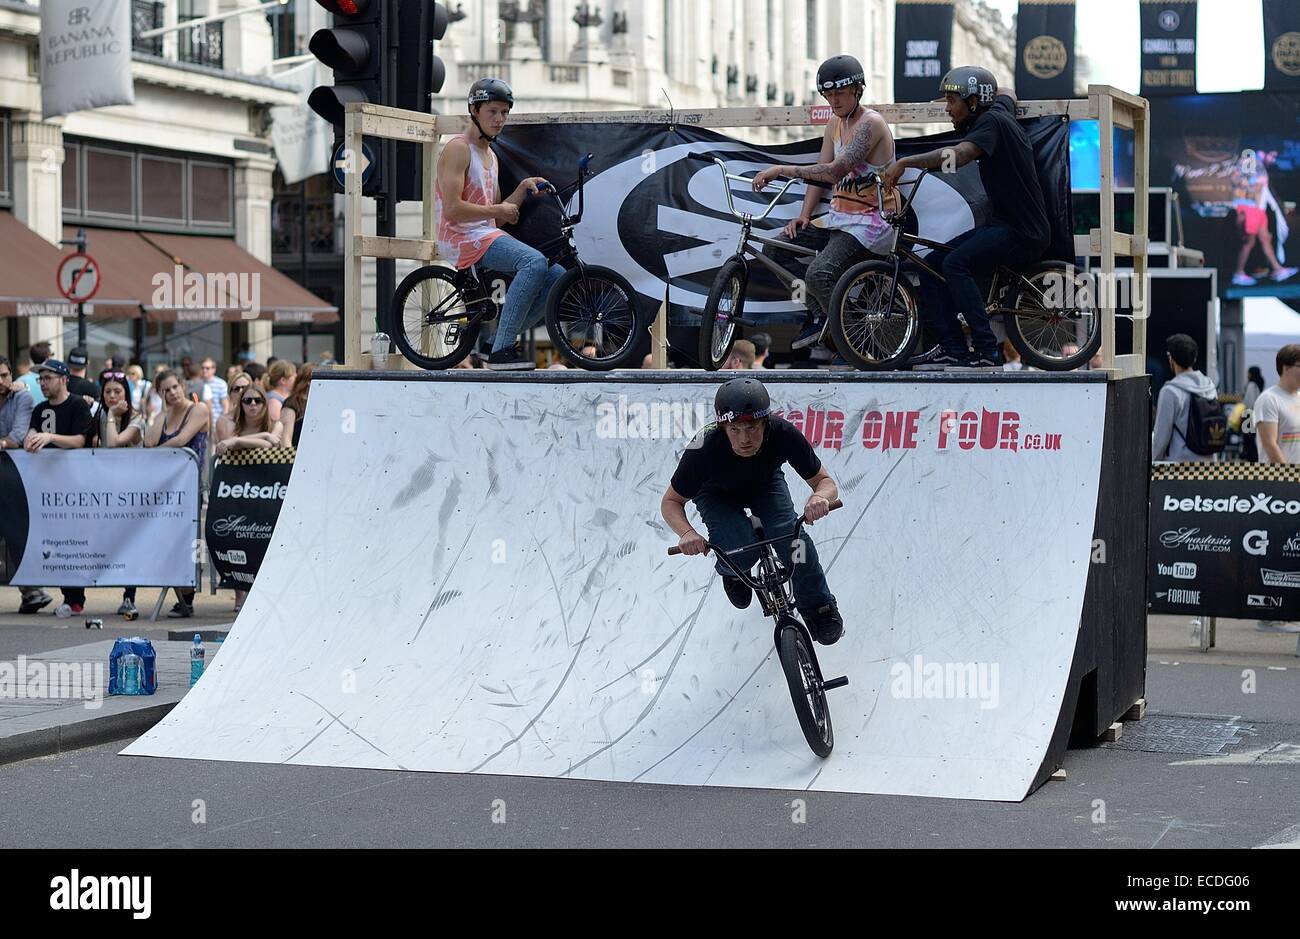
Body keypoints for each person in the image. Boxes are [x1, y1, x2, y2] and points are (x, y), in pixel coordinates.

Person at [881, 67, 1050, 369]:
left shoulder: (989, 123)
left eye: (951, 101)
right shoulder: (998, 111)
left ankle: (987, 350)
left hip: (1022, 231)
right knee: (931, 264)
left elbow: (959, 155)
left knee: (954, 264)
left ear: (972, 102)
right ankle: (953, 348)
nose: (947, 109)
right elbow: (1007, 92)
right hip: (1003, 224)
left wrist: (906, 162)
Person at [660, 377, 843, 644]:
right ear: (722, 426)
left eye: (753, 428)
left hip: (765, 485)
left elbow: (825, 482)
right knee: (739, 551)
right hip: (716, 493)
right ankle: (733, 571)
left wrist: (819, 498)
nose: (744, 438)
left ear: (766, 422)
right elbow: (671, 502)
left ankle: (819, 606)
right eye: (734, 429)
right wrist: (687, 533)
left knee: (796, 545)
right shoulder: (703, 445)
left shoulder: (783, 432)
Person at [755, 55, 897, 352]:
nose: (834, 100)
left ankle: (851, 337)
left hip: (871, 223)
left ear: (858, 90)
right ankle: (821, 317)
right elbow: (820, 175)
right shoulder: (834, 123)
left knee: (819, 273)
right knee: (773, 250)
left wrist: (781, 170)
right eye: (828, 95)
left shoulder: (870, 124)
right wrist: (804, 216)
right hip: (838, 218)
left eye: (840, 93)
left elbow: (835, 171)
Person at [437, 77, 565, 370]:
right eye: (492, 111)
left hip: (482, 233)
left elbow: (493, 213)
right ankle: (501, 350)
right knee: (532, 263)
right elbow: (453, 209)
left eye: (504, 112)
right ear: (474, 109)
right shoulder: (458, 148)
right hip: (458, 236)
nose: (499, 119)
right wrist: (498, 210)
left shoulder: (490, 155)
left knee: (556, 274)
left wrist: (521, 190)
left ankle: (495, 342)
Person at [24, 360, 93, 618]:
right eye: (40, 379)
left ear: (63, 379)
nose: (43, 383)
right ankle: (67, 595)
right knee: (55, 540)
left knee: (75, 540)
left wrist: (50, 437)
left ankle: (76, 597)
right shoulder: (40, 409)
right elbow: (31, 432)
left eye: (48, 378)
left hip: (75, 484)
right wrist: (31, 436)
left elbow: (80, 440)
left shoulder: (76, 404)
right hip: (46, 486)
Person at [146, 370, 210, 618]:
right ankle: (181, 597)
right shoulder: (164, 414)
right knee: (168, 540)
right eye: (166, 390)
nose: (172, 393)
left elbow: (183, 439)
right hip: (166, 488)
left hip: (191, 485)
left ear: (182, 385)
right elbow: (149, 441)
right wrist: (163, 411)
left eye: (174, 387)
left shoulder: (199, 409)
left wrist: (156, 455)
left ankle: (188, 595)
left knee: (189, 540)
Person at [92, 374, 147, 619]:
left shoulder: (136, 419)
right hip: (106, 487)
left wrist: (113, 415)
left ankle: (130, 596)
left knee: (130, 542)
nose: (112, 397)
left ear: (126, 394)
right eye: (107, 392)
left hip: (131, 488)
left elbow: (114, 442)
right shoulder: (100, 415)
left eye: (117, 392)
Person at [0, 356, 49, 614]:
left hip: (14, 474)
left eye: (5, 375)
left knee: (16, 532)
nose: (1, 382)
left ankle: (32, 591)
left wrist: (4, 443)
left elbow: (17, 436)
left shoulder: (23, 398)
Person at [1230, 151, 1297, 287]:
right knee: (1248, 242)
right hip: (1249, 209)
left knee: (1265, 239)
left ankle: (1277, 269)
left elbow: (1263, 190)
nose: (1274, 159)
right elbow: (1237, 182)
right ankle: (1238, 273)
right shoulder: (1247, 165)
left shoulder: (1260, 168)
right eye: (1272, 155)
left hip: (1258, 210)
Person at [1151, 334, 1219, 463]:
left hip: (1180, 468)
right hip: (1208, 464)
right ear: (1194, 358)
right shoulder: (1210, 386)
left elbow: (1161, 438)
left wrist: (1151, 465)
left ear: (1171, 358)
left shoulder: (1170, 391)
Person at [1255, 343, 1300, 466]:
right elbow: (1269, 444)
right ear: (1285, 368)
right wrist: (1290, 475)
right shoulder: (1269, 399)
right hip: (1278, 479)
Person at [213, 383, 277, 458]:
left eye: (258, 400)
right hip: (236, 468)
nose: (253, 404)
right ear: (241, 404)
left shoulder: (276, 425)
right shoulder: (231, 424)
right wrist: (265, 435)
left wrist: (236, 440)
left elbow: (268, 445)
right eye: (247, 400)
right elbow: (231, 447)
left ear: (264, 403)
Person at [279, 364, 313, 449]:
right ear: (309, 382)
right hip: (297, 454)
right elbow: (285, 438)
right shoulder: (292, 402)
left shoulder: (320, 403)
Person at [1242, 364, 1265, 461]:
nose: (1247, 375)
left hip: (1249, 414)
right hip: (1256, 414)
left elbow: (1249, 402)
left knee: (1248, 438)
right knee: (1253, 437)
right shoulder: (1259, 384)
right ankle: (1254, 456)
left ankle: (1251, 457)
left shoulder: (1251, 385)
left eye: (1248, 373)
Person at [199, 357, 229, 428]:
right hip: (200, 423)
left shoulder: (221, 383)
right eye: (202, 368)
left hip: (216, 423)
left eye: (207, 368)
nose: (204, 370)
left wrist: (223, 422)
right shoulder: (198, 383)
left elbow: (225, 405)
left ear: (214, 370)